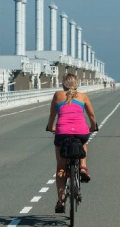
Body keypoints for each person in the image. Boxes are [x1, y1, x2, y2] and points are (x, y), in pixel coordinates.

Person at [47, 73, 97, 213]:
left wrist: (51, 127)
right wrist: (92, 127)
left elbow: (52, 115)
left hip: (62, 132)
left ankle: (61, 200)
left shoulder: (58, 95)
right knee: (83, 142)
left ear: (63, 84)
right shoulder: (83, 96)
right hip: (81, 131)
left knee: (61, 168)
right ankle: (82, 167)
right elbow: (92, 115)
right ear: (77, 84)